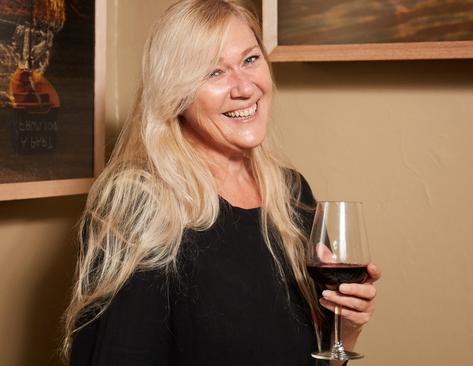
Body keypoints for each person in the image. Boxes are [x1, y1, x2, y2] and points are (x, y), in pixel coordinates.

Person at [61, 1, 380, 365]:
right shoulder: (140, 203)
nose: (244, 87)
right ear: (174, 93)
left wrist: (345, 327)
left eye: (249, 59)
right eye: (213, 72)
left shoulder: (291, 193)